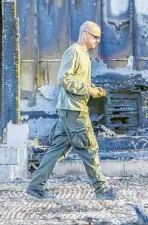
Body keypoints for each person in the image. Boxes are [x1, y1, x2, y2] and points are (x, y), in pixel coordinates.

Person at [26, 21, 117, 200]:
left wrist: (93, 89)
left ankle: (35, 187)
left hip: (70, 109)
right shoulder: (74, 52)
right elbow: (63, 79)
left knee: (56, 149)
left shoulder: (83, 54)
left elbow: (76, 80)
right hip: (74, 110)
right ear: (84, 34)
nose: (98, 41)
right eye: (95, 37)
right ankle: (102, 189)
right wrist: (88, 89)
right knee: (89, 148)